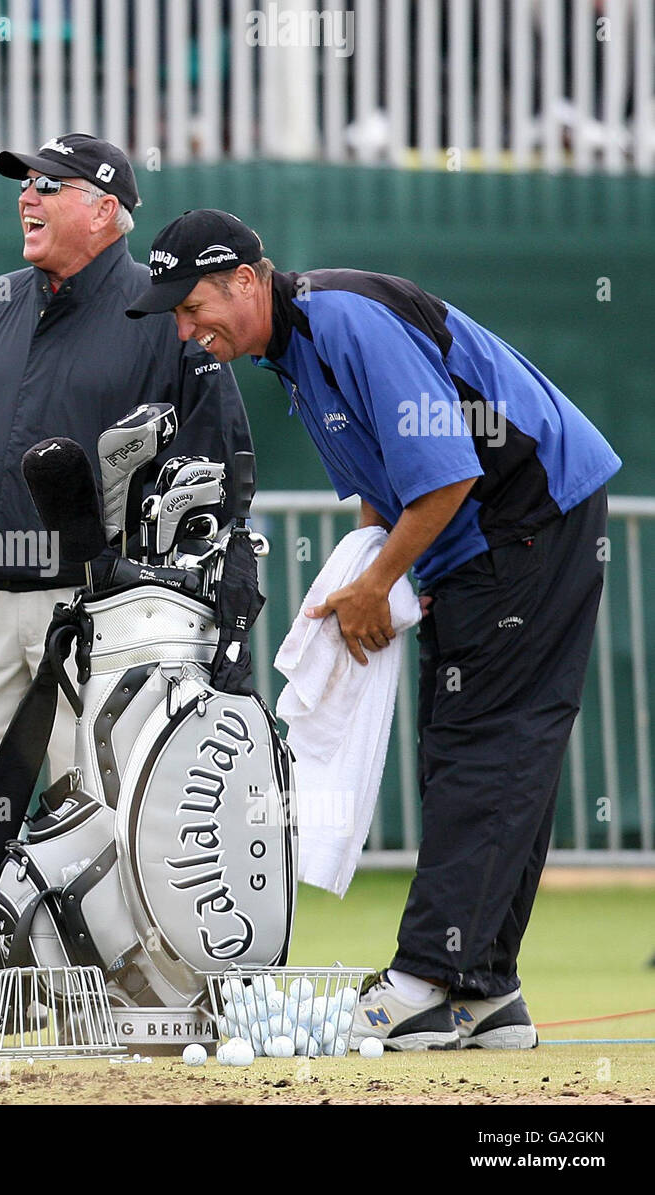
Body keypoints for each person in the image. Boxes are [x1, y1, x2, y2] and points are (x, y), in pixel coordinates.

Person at [128, 208, 621, 1050]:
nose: (185, 329)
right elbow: (382, 490)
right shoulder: (294, 354)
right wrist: (375, 577)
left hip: (532, 518)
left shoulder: (347, 319)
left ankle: (427, 978)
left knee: (488, 744)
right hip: (490, 535)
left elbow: (447, 472)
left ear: (248, 280)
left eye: (191, 305)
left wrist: (377, 585)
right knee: (476, 745)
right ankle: (484, 990)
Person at [0, 135, 253, 1044]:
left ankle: (141, 993)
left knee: (101, 800)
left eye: (50, 185)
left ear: (106, 208)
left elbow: (217, 461)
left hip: (99, 609)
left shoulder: (158, 313)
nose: (30, 197)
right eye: (25, 185)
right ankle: (3, 984)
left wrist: (159, 573)